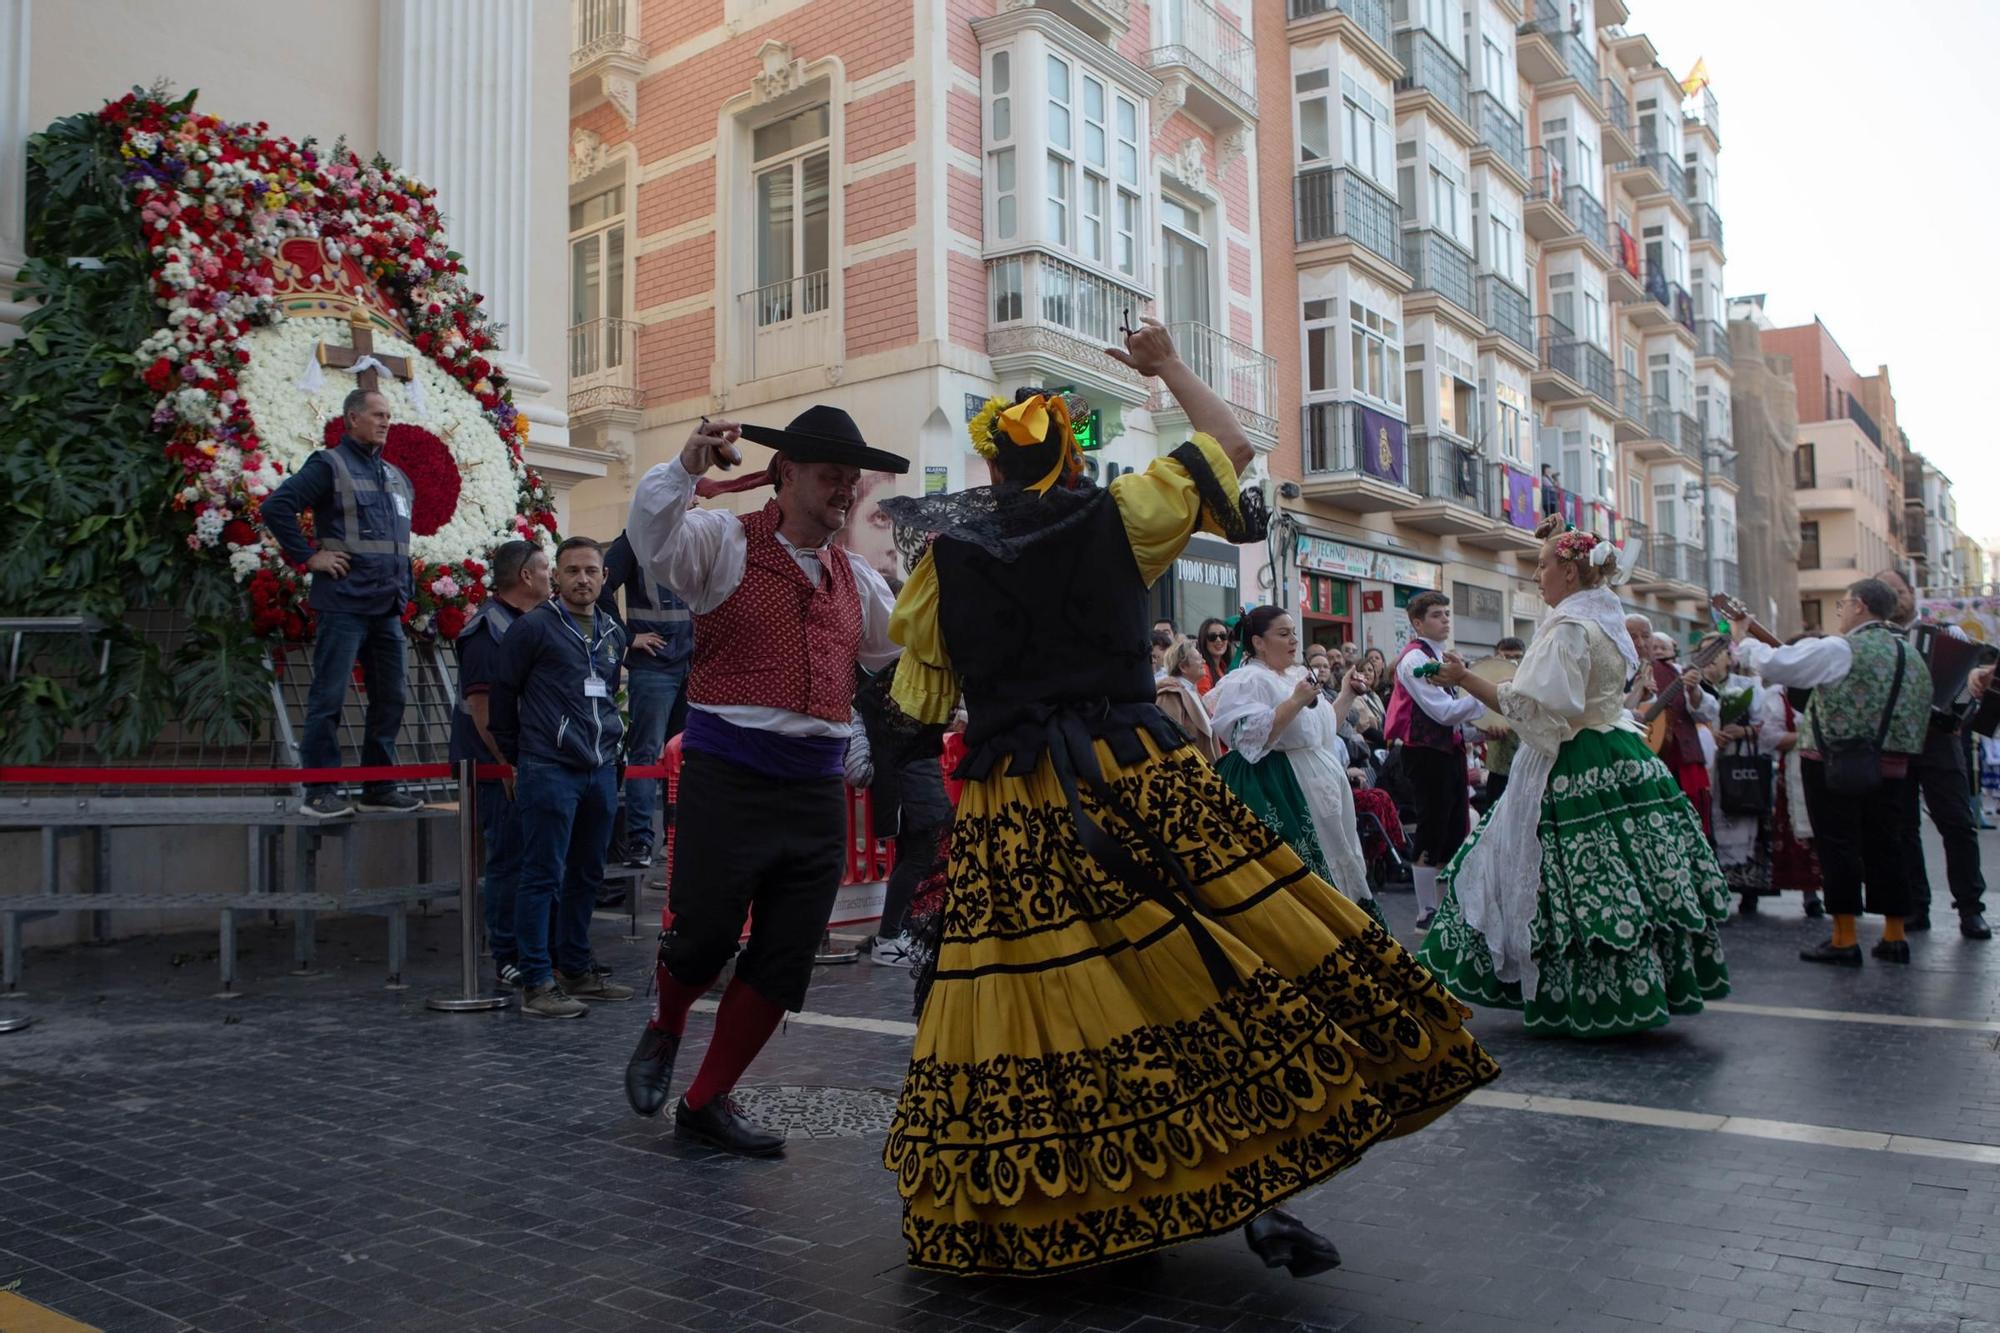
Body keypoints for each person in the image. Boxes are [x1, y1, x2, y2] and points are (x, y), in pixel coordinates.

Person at [875, 319, 1497, 1277]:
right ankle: (1255, 1183)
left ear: (990, 468)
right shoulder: (1118, 513)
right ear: (1070, 463)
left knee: (1057, 1000)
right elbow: (1234, 446)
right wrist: (1164, 365)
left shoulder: (940, 563)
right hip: (1129, 773)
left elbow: (923, 698)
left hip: (1014, 800)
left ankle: (1094, 1196)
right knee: (1208, 955)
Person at [620, 405, 908, 1156]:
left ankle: (707, 1097)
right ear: (785, 474)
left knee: (784, 958)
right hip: (729, 775)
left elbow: (904, 648)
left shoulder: (859, 582)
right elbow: (652, 539)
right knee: (704, 934)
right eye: (830, 475)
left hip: (816, 791)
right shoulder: (721, 541)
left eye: (851, 478)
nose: (844, 490)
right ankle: (666, 1024)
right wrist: (685, 466)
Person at [1415, 516, 1731, 1036]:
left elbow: (1533, 709)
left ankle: (1584, 995)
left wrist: (1465, 677)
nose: (1536, 576)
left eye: (1542, 566)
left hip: (1571, 760)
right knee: (1624, 876)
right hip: (1616, 749)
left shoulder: (1568, 628)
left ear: (1567, 571)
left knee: (1565, 877)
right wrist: (1554, 538)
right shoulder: (1604, 619)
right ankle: (1633, 987)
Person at [1728, 579, 1934, 965]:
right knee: (1889, 847)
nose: (1840, 614)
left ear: (1858, 605)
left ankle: (1844, 937)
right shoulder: (1910, 654)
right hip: (1895, 768)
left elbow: (1779, 664)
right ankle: (1894, 935)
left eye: (1842, 606)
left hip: (1836, 763)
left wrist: (1745, 637)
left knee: (1838, 846)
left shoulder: (1842, 648)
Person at [488, 537, 638, 1017]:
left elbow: (608, 695)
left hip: (599, 770)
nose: (582, 579)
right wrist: (523, 755)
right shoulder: (534, 628)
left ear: (603, 577)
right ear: (555, 576)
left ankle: (575, 967)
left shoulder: (613, 633)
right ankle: (537, 979)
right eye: (571, 570)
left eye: (590, 570)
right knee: (542, 875)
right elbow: (502, 697)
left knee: (587, 875)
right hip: (548, 769)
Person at [260, 387, 422, 819]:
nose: (386, 421)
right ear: (351, 419)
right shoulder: (328, 465)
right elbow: (277, 506)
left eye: (389, 415)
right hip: (345, 604)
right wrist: (309, 556)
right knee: (328, 699)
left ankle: (378, 787)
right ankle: (319, 792)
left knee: (391, 698)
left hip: (386, 606)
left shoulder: (395, 476)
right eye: (377, 415)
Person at [1208, 608, 1382, 925]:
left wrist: (1345, 693)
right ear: (1259, 642)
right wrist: (1295, 701)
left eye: (1293, 633)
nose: (1292, 641)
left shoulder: (1296, 675)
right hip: (1278, 785)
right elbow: (1252, 739)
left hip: (1320, 783)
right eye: (1283, 634)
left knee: (1339, 860)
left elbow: (1323, 728)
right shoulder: (1249, 679)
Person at [448, 539, 550, 988]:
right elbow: (483, 708)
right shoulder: (489, 630)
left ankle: (537, 950)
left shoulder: (528, 623)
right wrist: (508, 764)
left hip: (529, 762)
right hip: (496, 769)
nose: (553, 576)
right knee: (508, 859)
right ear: (526, 576)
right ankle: (507, 953)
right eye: (547, 568)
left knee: (535, 860)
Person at [1875, 568, 1990, 939]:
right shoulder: (1873, 641)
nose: (1894, 598)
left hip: (1939, 739)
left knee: (1957, 823)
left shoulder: (1947, 632)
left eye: (1898, 590)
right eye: (1885, 592)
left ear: (1911, 593)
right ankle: (1915, 906)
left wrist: (1959, 709)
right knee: (1901, 827)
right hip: (1893, 741)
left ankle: (1970, 909)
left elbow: (1968, 679)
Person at [1385, 591, 1485, 929]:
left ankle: (1449, 908)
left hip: (1446, 752)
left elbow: (1452, 722)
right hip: (1424, 754)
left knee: (1454, 828)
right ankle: (1426, 911)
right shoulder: (1414, 659)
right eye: (1437, 615)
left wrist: (1479, 733)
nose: (1445, 619)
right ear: (1417, 623)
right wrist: (1488, 700)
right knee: (1432, 828)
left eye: (1446, 613)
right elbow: (1441, 713)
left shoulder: (1442, 655)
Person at [598, 530, 696, 871]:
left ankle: (678, 838)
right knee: (647, 754)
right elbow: (601, 588)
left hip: (690, 662)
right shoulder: (634, 540)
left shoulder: (691, 533)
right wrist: (628, 638)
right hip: (655, 666)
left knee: (684, 758)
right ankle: (641, 840)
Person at [852, 665, 951, 966]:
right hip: (912, 776)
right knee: (919, 854)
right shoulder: (912, 670)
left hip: (911, 774)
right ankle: (890, 935)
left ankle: (897, 933)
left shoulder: (907, 670)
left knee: (913, 854)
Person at [1699, 635, 1775, 915]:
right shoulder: (1694, 687)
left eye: (1716, 652)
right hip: (1709, 765)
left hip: (1739, 760)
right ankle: (1716, 888)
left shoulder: (1746, 687)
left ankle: (1749, 888)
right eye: (1704, 651)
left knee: (1744, 819)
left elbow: (1765, 725)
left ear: (1729, 658)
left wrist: (1741, 731)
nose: (1709, 657)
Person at [1642, 631, 1719, 835]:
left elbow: (1706, 713)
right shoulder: (1631, 671)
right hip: (1649, 757)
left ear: (1674, 652)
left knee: (1692, 816)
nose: (1658, 651)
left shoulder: (1681, 672)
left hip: (1683, 756)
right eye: (1654, 646)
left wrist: (1694, 690)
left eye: (1663, 648)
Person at [1473, 638, 1526, 813]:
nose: (1513, 661)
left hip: (1527, 765)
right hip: (1499, 766)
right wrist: (1485, 730)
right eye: (1507, 657)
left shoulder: (1532, 681)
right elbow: (1475, 718)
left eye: (1517, 657)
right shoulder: (1486, 683)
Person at [1156, 638, 1220, 761]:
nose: (1204, 661)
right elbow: (1170, 742)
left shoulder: (1192, 692)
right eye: (1198, 659)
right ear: (1183, 666)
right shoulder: (1171, 694)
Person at [1194, 616, 1234, 695]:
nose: (1218, 640)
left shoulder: (1225, 666)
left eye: (1223, 636)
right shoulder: (1203, 669)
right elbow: (1205, 703)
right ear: (1204, 640)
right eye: (1212, 637)